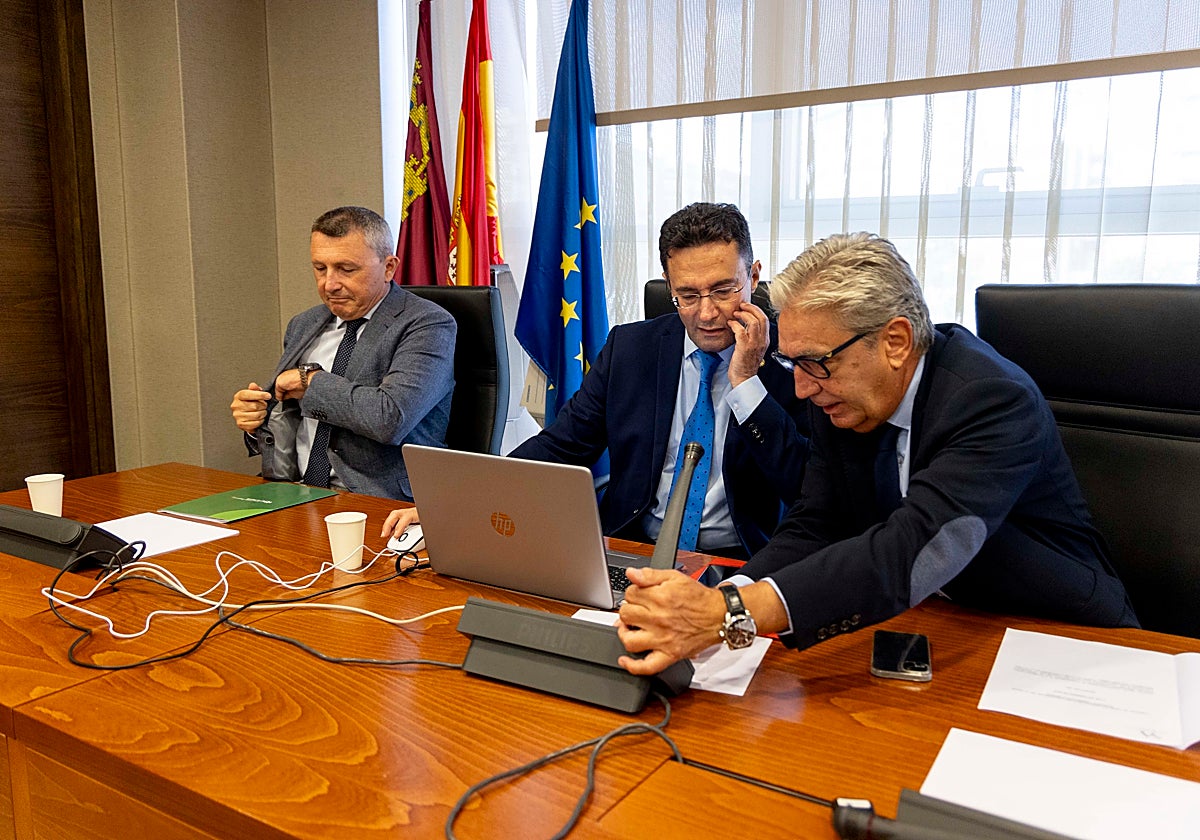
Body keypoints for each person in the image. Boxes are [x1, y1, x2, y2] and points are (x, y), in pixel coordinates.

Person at [616, 232, 1138, 676]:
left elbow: (912, 547)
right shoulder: (845, 394)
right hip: (935, 624)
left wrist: (728, 612)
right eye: (792, 362)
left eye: (815, 363)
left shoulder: (991, 400)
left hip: (1062, 642)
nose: (801, 388)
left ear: (896, 342)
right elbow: (816, 522)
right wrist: (726, 591)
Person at [383, 202, 810, 559]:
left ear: (753, 276)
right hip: (633, 548)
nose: (706, 313)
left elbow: (804, 484)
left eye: (723, 290)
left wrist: (746, 383)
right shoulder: (631, 349)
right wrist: (457, 501)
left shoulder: (795, 359)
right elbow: (560, 446)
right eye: (687, 295)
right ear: (669, 287)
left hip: (742, 560)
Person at [230, 206, 456, 501]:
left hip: (380, 499)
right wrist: (256, 418)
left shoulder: (427, 323)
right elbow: (290, 412)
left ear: (389, 267)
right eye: (320, 268)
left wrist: (311, 381)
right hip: (292, 490)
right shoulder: (304, 324)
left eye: (346, 269)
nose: (330, 284)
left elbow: (389, 419)